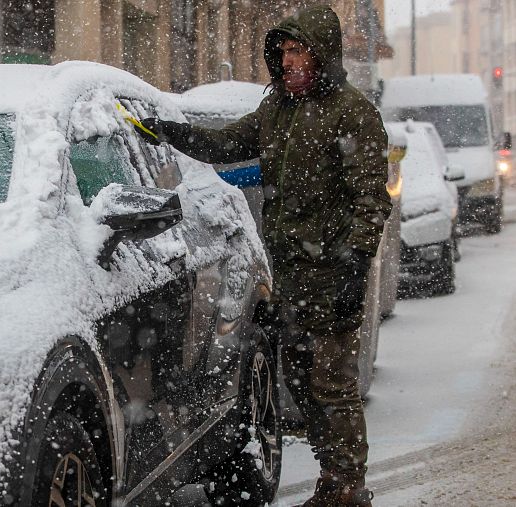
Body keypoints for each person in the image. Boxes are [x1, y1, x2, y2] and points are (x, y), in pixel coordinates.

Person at [134, 5, 390, 507]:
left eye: (300, 51)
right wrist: (172, 132)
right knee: (299, 378)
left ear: (322, 55)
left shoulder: (351, 113)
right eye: (285, 52)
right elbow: (228, 143)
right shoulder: (277, 110)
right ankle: (329, 478)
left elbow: (370, 200)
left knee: (332, 385)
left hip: (332, 271)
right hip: (289, 274)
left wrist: (355, 268)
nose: (291, 61)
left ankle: (348, 487)